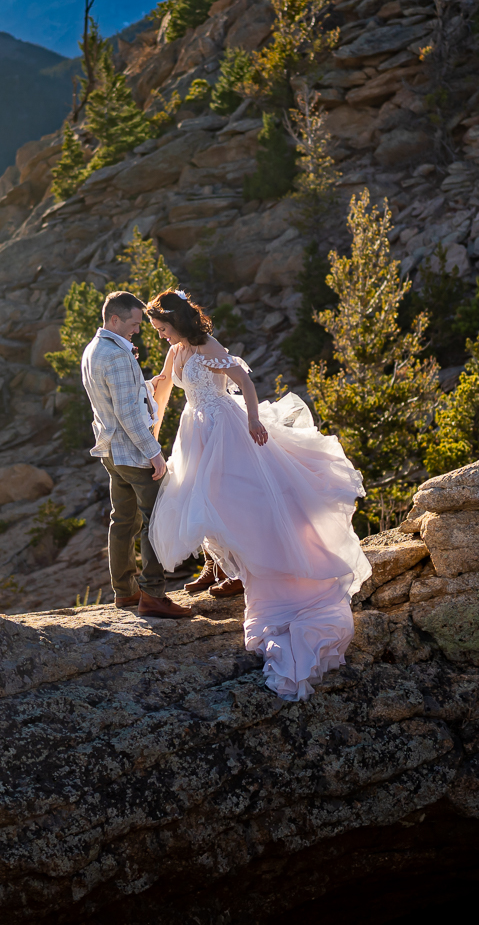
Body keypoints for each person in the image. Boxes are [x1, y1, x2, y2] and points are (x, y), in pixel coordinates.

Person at [142, 288, 368, 700]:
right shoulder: (175, 350)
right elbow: (162, 392)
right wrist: (153, 437)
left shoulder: (206, 345)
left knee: (238, 500)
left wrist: (252, 420)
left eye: (161, 327)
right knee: (203, 502)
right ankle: (227, 569)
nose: (159, 334)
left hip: (225, 429)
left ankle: (257, 572)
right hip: (195, 432)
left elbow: (244, 380)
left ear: (178, 322)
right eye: (156, 328)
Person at [80, 290, 194, 620]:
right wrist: (154, 453)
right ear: (114, 320)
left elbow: (113, 397)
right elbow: (128, 414)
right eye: (133, 323)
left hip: (111, 451)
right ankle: (153, 595)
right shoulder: (116, 355)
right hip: (131, 452)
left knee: (123, 520)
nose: (137, 329)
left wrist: (146, 385)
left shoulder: (95, 349)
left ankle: (125, 592)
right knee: (155, 519)